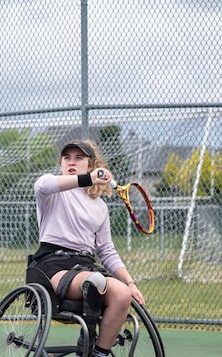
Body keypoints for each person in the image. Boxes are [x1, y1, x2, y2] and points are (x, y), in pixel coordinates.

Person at [31, 139, 144, 357]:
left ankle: (97, 354)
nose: (71, 162)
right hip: (53, 266)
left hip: (86, 266)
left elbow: (106, 251)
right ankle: (87, 342)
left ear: (90, 164)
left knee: (121, 294)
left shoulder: (100, 207)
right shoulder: (52, 191)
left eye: (79, 158)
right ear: (61, 164)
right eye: (67, 158)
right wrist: (88, 179)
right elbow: (42, 185)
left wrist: (130, 282)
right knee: (95, 281)